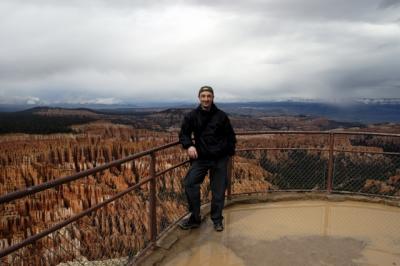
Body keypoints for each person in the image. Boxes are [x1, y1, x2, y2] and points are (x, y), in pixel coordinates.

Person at [178, 85, 236, 232]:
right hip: (202, 158)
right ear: (199, 98)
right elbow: (184, 133)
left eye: (208, 96)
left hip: (219, 159)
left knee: (218, 190)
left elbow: (231, 137)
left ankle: (217, 220)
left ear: (212, 98)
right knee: (190, 183)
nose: (206, 99)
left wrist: (227, 154)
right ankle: (195, 218)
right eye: (203, 96)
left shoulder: (221, 116)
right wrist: (189, 146)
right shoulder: (192, 116)